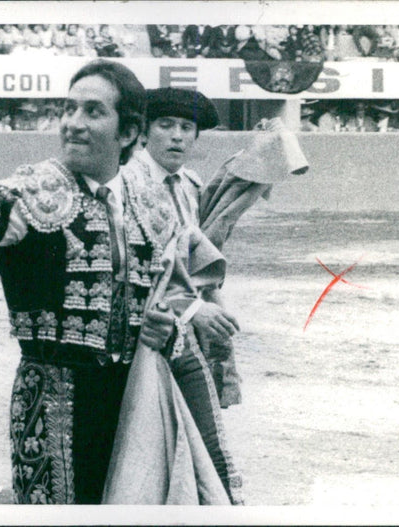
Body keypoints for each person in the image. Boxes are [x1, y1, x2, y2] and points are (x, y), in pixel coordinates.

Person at [0, 59, 179, 504]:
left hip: (134, 402)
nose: (73, 123)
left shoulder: (154, 207)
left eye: (93, 111)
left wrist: (170, 328)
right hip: (51, 402)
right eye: (69, 109)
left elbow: (175, 302)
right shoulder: (27, 193)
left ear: (127, 133)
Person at [122, 87, 245, 502]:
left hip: (180, 337)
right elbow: (141, 267)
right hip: (136, 340)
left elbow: (190, 258)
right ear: (143, 132)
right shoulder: (126, 182)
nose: (177, 136)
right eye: (166, 125)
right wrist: (195, 309)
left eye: (186, 128)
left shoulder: (188, 186)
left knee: (197, 445)